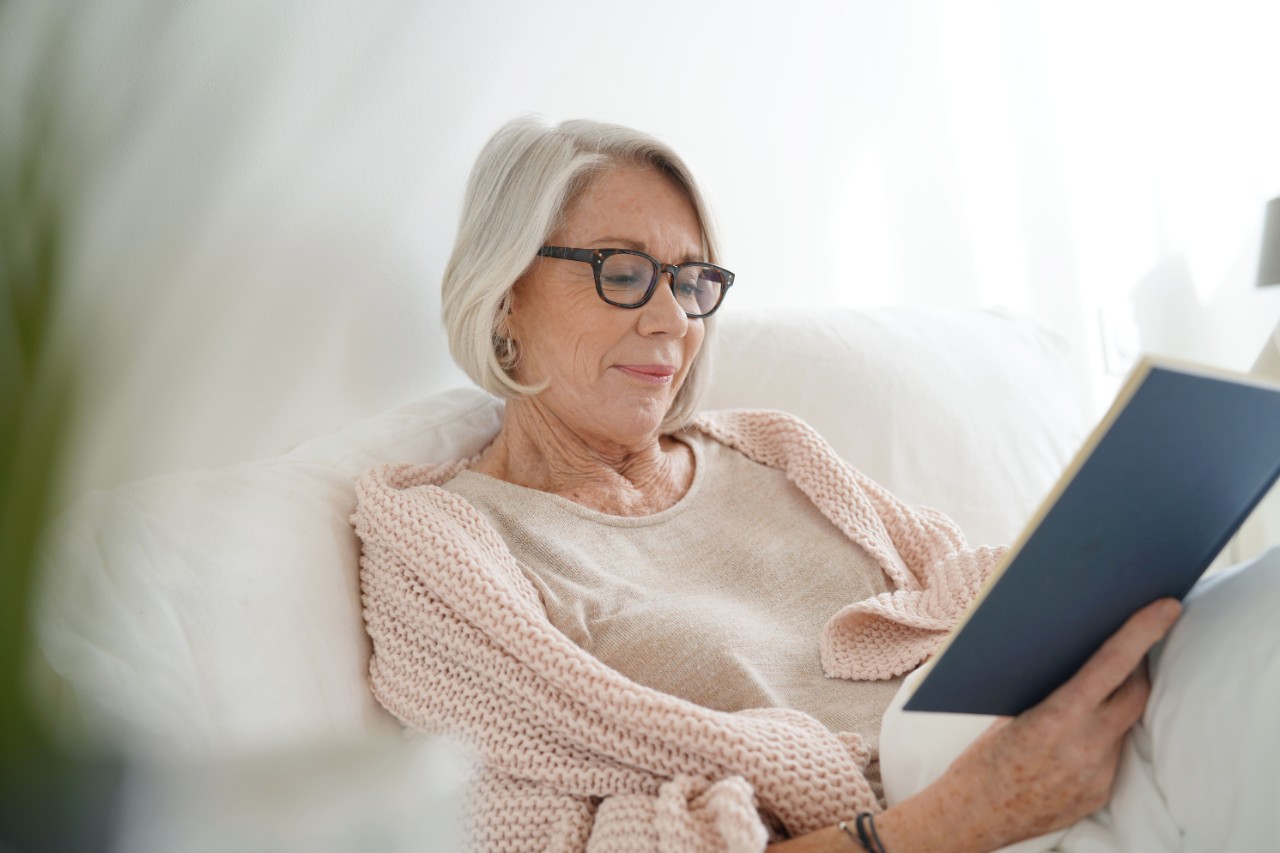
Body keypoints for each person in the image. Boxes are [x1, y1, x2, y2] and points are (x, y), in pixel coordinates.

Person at [352, 116, 1181, 852]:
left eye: (691, 281)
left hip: (1064, 727)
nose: (674, 319)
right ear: (504, 296)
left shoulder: (773, 448)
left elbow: (967, 580)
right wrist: (965, 818)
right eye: (624, 271)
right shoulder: (445, 548)